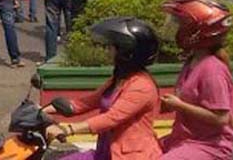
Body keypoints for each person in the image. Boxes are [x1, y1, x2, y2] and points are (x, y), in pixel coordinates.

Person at [45, 17, 161, 160]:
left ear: (126, 52)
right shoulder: (119, 79)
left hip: (131, 156)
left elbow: (112, 118)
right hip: (104, 153)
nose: (108, 50)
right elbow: (87, 102)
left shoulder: (142, 86)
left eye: (112, 47)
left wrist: (68, 129)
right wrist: (41, 111)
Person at [160, 0, 233, 159]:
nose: (176, 29)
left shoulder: (212, 69)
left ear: (197, 30)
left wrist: (180, 106)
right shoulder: (192, 62)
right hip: (183, 139)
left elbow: (220, 118)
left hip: (209, 146)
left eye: (180, 24)